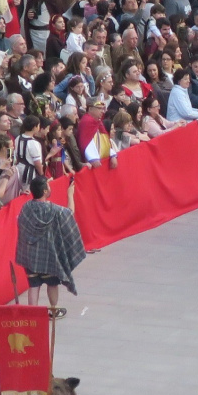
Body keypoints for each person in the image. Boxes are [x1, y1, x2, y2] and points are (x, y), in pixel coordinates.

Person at [15, 176, 86, 320]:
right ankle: (53, 311)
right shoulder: (54, 210)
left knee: (33, 285)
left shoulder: (26, 207)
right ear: (45, 191)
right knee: (52, 284)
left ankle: (32, 316)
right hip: (49, 256)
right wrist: (70, 195)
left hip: (30, 256)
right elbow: (70, 215)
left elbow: (20, 223)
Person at [76, 98, 117, 169]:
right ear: (90, 109)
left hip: (101, 159)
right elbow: (85, 142)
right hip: (93, 162)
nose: (102, 111)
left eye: (103, 109)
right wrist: (93, 158)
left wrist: (112, 154)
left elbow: (105, 139)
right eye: (99, 109)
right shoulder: (87, 121)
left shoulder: (98, 120)